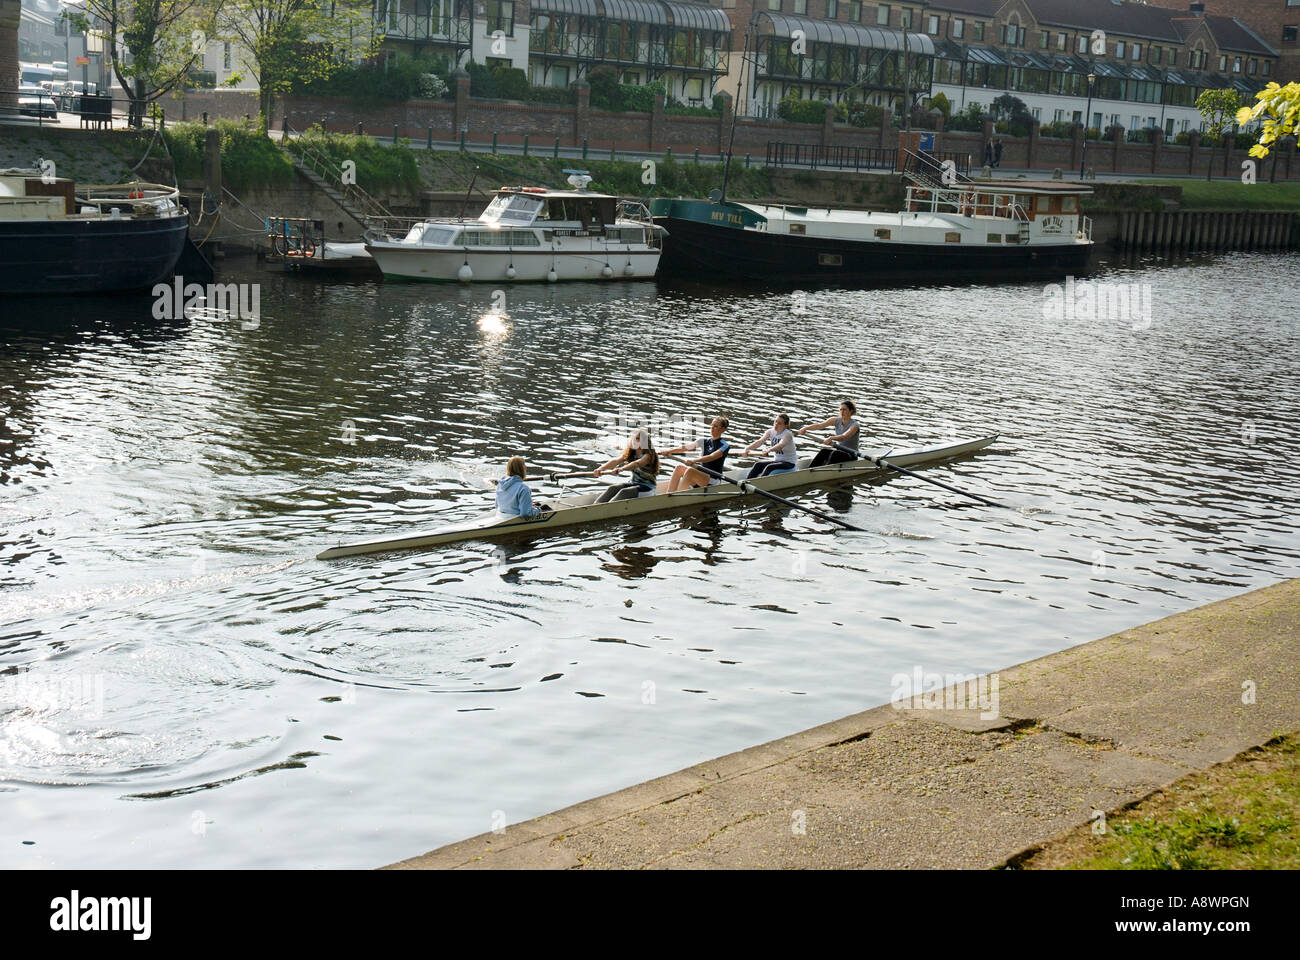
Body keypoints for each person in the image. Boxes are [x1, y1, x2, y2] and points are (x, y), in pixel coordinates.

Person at [663, 416, 730, 491]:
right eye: (712, 425)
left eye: (715, 426)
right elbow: (685, 448)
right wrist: (669, 451)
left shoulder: (724, 445)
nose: (712, 428)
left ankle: (679, 496)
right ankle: (669, 494)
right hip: (700, 478)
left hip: (713, 480)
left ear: (723, 429)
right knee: (679, 468)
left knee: (690, 471)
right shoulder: (704, 441)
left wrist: (694, 461)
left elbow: (711, 457)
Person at [593, 428, 660, 502]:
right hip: (633, 483)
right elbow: (615, 461)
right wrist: (601, 468)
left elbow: (637, 463)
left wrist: (622, 469)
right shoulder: (631, 454)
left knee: (624, 492)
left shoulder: (648, 456)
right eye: (633, 439)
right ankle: (596, 505)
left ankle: (608, 508)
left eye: (638, 439)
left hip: (648, 488)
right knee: (612, 488)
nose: (634, 441)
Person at [799, 400, 861, 468]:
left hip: (851, 455)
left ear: (851, 411)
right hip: (840, 452)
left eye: (844, 410)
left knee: (835, 453)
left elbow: (844, 437)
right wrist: (805, 428)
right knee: (824, 451)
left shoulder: (855, 425)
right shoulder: (836, 420)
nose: (842, 412)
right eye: (840, 410)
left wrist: (831, 438)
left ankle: (822, 470)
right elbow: (819, 425)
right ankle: (810, 469)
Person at [742, 414, 798, 479]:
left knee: (769, 467)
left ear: (785, 426)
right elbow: (759, 442)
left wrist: (769, 450)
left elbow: (780, 445)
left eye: (779, 423)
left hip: (789, 463)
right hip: (777, 461)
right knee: (758, 464)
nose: (776, 424)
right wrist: (746, 449)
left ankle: (759, 483)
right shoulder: (770, 432)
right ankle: (747, 482)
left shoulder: (788, 434)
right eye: (775, 421)